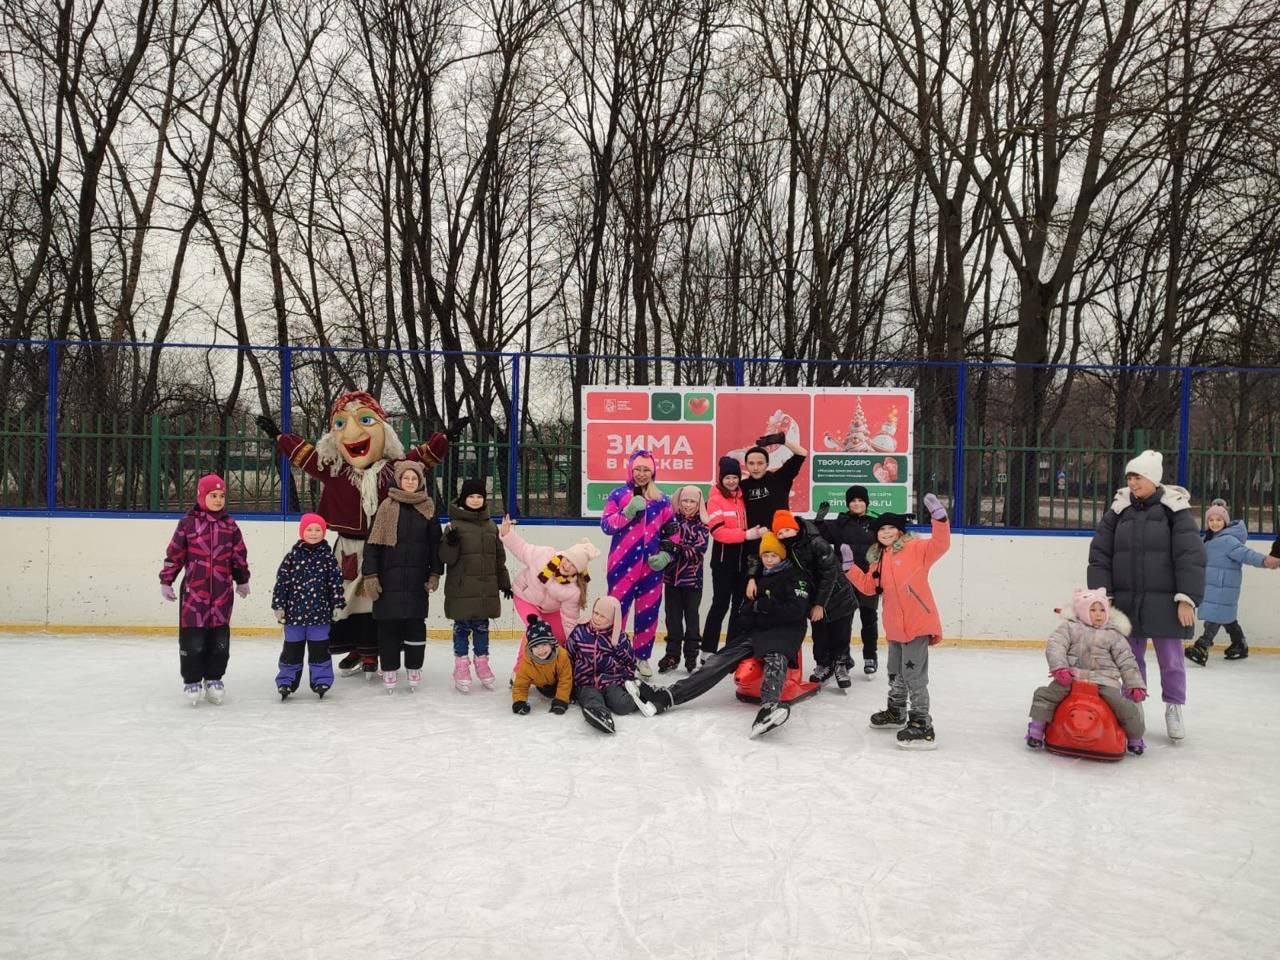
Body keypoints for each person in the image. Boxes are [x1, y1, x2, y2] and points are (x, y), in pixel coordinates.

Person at [254, 393, 451, 677]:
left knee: (376, 599)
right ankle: (355, 648)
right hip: (347, 546)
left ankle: (374, 652)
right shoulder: (336, 471)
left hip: (383, 548)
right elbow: (308, 457)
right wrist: (279, 436)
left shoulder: (392, 470)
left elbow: (419, 460)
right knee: (347, 600)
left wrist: (444, 437)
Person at [638, 531, 810, 739]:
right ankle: (669, 696)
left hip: (785, 633)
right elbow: (744, 613)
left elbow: (795, 611)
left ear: (782, 555)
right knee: (717, 661)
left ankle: (769, 707)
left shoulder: (796, 577)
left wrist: (760, 607)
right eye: (765, 555)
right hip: (757, 631)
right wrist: (759, 610)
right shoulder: (756, 578)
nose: (769, 560)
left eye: (773, 555)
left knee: (776, 659)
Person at [1087, 450, 1205, 741]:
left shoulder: (1174, 510)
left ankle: (1174, 708)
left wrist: (1186, 597)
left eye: (1138, 476)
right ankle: (1132, 708)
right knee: (1129, 660)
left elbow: (1190, 556)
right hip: (1126, 601)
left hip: (1166, 602)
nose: (1132, 482)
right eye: (1129, 477)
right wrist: (1103, 595)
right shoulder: (1119, 510)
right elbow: (1100, 554)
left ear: (1153, 478)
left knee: (1172, 661)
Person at [845, 495, 951, 749]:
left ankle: (921, 722)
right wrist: (849, 568)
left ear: (900, 531)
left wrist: (940, 519)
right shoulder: (877, 560)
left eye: (891, 527)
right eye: (881, 529)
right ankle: (897, 711)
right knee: (895, 672)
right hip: (894, 626)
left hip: (917, 623)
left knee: (914, 675)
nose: (886, 532)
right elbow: (870, 588)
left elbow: (941, 544)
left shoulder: (916, 549)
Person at [159, 474, 250, 705]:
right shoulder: (188, 523)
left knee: (219, 640)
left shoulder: (229, 525)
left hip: (221, 594)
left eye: (221, 496)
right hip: (194, 595)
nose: (218, 500)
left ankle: (214, 678)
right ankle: (192, 680)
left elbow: (239, 555)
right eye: (213, 495)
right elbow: (175, 555)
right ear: (202, 496)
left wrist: (242, 580)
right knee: (193, 641)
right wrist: (166, 580)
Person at [1025, 588, 1148, 756]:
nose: (1098, 614)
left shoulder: (1114, 635)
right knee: (1045, 695)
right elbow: (1056, 646)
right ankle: (1037, 728)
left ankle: (1135, 737)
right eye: (1092, 610)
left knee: (1124, 707)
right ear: (1082, 612)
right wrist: (1060, 668)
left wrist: (1134, 685)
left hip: (1104, 680)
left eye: (1102, 610)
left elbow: (1127, 660)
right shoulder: (1070, 627)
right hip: (1072, 676)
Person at [749, 508, 859, 689]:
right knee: (820, 635)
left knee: (840, 633)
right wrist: (752, 577)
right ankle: (823, 664)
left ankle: (841, 664)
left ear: (795, 528)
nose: (784, 535)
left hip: (837, 595)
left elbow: (829, 574)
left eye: (786, 530)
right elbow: (759, 555)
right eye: (780, 532)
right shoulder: (786, 545)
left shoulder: (816, 543)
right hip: (814, 596)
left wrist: (819, 604)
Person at [361, 461, 443, 694]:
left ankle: (414, 667)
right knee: (388, 627)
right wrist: (370, 575)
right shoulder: (385, 507)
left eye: (414, 478)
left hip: (417, 579)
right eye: (406, 478)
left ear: (420, 482)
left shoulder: (428, 509)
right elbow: (372, 546)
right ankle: (389, 668)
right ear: (398, 480)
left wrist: (435, 572)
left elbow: (435, 545)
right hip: (388, 580)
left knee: (416, 625)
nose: (410, 481)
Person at [599, 450, 677, 678]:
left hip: (651, 569)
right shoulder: (618, 495)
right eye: (638, 469)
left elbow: (672, 532)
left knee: (648, 614)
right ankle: (612, 655)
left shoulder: (662, 499)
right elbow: (606, 526)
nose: (642, 474)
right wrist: (627, 511)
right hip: (621, 567)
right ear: (631, 470)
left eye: (646, 470)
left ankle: (642, 658)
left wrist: (666, 555)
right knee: (616, 613)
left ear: (653, 472)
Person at [1184, 499, 1280, 665]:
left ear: (1225, 522)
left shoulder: (1229, 541)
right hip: (1211, 586)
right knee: (1227, 618)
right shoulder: (1206, 539)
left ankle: (1202, 646)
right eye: (1211, 520)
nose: (1215, 523)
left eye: (1219, 520)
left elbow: (1247, 555)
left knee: (1214, 616)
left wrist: (1265, 561)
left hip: (1224, 587)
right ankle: (1239, 643)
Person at [438, 478, 511, 692]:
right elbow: (446, 558)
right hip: (461, 589)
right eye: (471, 496)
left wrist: (504, 583)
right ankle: (461, 666)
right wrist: (450, 542)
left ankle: (482, 664)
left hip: (485, 590)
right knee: (461, 629)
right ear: (463, 499)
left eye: (480, 496)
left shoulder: (491, 526)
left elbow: (499, 558)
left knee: (482, 628)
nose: (476, 500)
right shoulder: (454, 526)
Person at [499, 515, 598, 658]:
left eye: (573, 566)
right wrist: (507, 533)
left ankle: (559, 669)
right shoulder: (544, 555)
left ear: (578, 571)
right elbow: (522, 549)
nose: (567, 565)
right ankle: (519, 672)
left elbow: (569, 620)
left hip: (551, 610)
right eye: (568, 560)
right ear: (564, 555)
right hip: (525, 598)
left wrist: (575, 643)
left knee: (561, 637)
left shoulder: (573, 591)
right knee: (536, 630)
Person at [270, 513, 346, 700]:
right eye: (309, 529)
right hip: (294, 617)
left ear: (324, 532)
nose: (313, 533)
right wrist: (279, 606)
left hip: (320, 617)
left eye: (318, 529)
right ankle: (286, 681)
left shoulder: (328, 558)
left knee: (320, 651)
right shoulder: (292, 557)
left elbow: (336, 584)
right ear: (302, 531)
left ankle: (321, 680)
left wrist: (337, 605)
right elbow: (282, 583)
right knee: (291, 651)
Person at [703, 455, 766, 664]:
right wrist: (746, 535)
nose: (731, 481)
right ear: (721, 478)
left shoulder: (742, 498)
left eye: (734, 477)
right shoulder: (714, 500)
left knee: (739, 606)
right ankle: (708, 650)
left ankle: (731, 648)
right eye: (727, 477)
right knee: (720, 604)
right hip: (723, 562)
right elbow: (718, 532)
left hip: (742, 562)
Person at [566, 596, 654, 734]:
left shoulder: (619, 638)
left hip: (611, 681)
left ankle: (642, 694)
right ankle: (600, 715)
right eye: (595, 613)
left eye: (603, 616)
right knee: (591, 699)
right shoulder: (580, 631)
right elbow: (569, 656)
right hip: (585, 681)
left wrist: (625, 679)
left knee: (622, 706)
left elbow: (629, 663)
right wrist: (569, 685)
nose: (597, 618)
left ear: (613, 619)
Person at [820, 485, 881, 677]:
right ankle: (842, 659)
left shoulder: (875, 523)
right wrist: (820, 519)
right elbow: (819, 536)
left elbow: (889, 539)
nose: (856, 504)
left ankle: (870, 656)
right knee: (842, 622)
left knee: (869, 619)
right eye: (853, 501)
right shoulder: (840, 523)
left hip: (868, 578)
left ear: (866, 503)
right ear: (848, 504)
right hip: (844, 580)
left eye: (860, 500)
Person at [658, 485, 710, 674]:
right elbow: (663, 543)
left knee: (691, 617)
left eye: (692, 502)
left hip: (692, 581)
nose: (688, 505)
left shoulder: (703, 524)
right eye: (685, 501)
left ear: (698, 504)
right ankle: (672, 654)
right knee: (672, 618)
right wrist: (665, 545)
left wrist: (678, 548)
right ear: (678, 502)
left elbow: (699, 552)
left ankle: (691, 655)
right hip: (671, 579)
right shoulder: (671, 521)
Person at [739, 433, 808, 545]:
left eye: (760, 463)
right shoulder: (741, 486)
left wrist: (783, 441)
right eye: (751, 463)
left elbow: (801, 454)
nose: (755, 467)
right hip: (752, 547)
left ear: (767, 464)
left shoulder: (780, 479)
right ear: (746, 465)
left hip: (781, 543)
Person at [511, 615, 574, 716]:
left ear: (551, 643)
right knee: (548, 693)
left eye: (544, 644)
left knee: (573, 690)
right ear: (531, 648)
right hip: (543, 686)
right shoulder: (527, 663)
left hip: (560, 683)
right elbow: (520, 685)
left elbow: (565, 679)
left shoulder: (561, 656)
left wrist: (561, 701)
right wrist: (520, 702)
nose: (541, 650)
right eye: (535, 646)